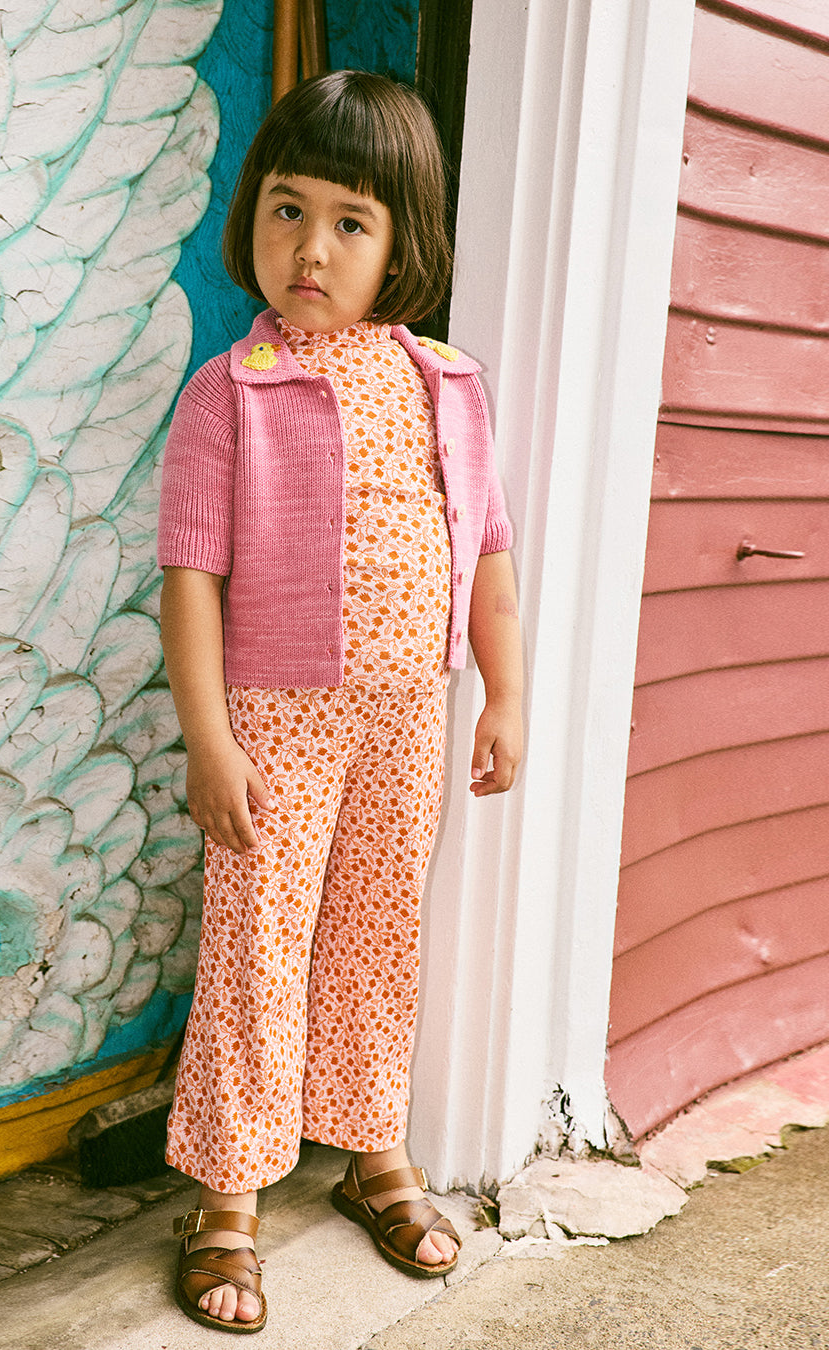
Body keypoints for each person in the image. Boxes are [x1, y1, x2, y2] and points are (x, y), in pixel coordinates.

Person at [157, 69, 523, 1334]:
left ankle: (374, 1152)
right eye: (287, 209)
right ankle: (228, 1196)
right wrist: (209, 740)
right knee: (257, 949)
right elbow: (191, 581)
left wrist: (506, 697)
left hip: (408, 718)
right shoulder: (231, 392)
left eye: (350, 221)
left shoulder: (448, 387)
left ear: (401, 244)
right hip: (274, 723)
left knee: (376, 938)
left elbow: (488, 555)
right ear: (251, 216)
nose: (310, 248)